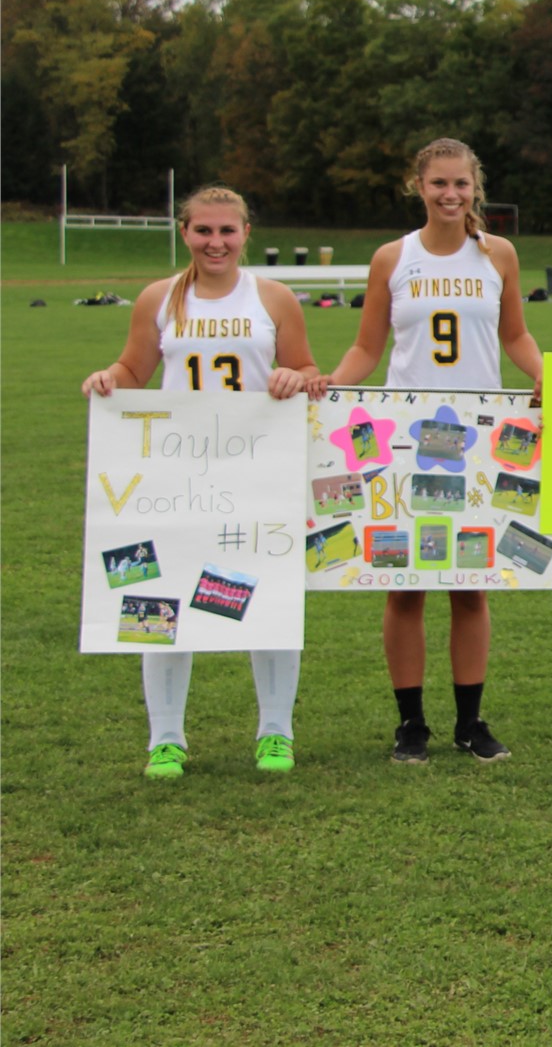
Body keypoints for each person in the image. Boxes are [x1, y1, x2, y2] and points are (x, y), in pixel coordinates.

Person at [314, 138, 542, 764]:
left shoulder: (498, 254)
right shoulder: (394, 256)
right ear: (419, 186)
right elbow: (367, 348)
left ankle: (470, 722)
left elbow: (515, 335)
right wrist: (332, 384)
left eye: (461, 185)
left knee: (472, 583)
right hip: (408, 438)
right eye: (439, 184)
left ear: (476, 187)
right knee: (404, 584)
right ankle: (410, 724)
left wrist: (545, 374)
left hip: (480, 439)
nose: (450, 195)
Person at [82, 185, 318, 779]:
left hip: (258, 472)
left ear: (246, 233)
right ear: (183, 232)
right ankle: (165, 737)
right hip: (174, 474)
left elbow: (308, 368)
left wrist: (296, 375)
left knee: (267, 599)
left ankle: (275, 733)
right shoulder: (159, 298)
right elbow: (134, 368)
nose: (216, 242)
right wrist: (108, 378)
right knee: (158, 598)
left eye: (228, 231)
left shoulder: (275, 297)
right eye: (203, 230)